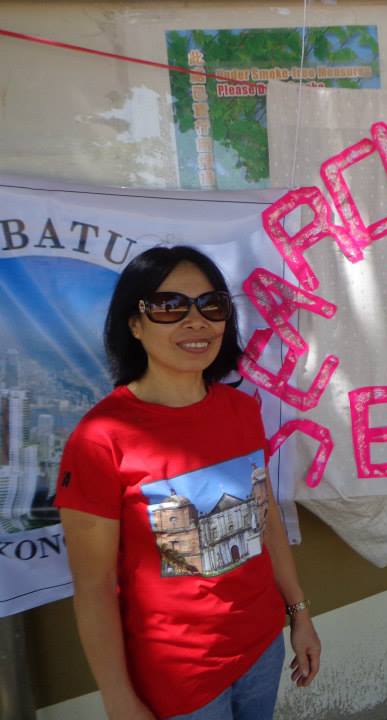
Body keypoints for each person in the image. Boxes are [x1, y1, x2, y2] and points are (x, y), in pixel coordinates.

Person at [55, 246, 321, 719]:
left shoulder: (242, 411)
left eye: (211, 305)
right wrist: (118, 700)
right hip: (178, 678)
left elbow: (266, 522)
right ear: (134, 324)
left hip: (262, 648)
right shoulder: (101, 438)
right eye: (169, 306)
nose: (196, 321)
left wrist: (300, 613)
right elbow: (94, 587)